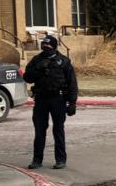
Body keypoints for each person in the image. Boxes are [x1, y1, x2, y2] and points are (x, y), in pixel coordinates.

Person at [23, 34, 78, 170]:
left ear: (54, 46)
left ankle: (60, 160)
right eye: (43, 45)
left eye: (48, 45)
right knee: (39, 130)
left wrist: (72, 102)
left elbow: (72, 83)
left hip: (58, 99)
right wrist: (38, 69)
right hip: (41, 99)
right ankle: (37, 160)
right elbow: (27, 77)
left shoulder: (64, 61)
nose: (45, 47)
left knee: (58, 129)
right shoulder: (37, 60)